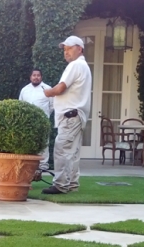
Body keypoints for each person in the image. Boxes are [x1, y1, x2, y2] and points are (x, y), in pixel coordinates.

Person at [42, 36, 92, 194]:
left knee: (62, 149)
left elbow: (60, 88)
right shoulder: (83, 66)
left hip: (70, 117)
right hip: (77, 116)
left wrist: (46, 92)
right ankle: (71, 184)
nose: (66, 52)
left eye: (69, 48)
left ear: (80, 48)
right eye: (65, 49)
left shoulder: (75, 65)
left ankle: (60, 185)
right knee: (73, 152)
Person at [18, 68, 53, 177]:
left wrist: (45, 116)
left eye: (38, 75)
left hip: (43, 121)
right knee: (28, 142)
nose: (36, 77)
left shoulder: (47, 89)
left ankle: (43, 165)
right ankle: (28, 163)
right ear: (30, 77)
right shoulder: (25, 90)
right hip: (27, 122)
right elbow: (21, 105)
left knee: (44, 142)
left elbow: (52, 106)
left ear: (41, 77)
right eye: (34, 75)